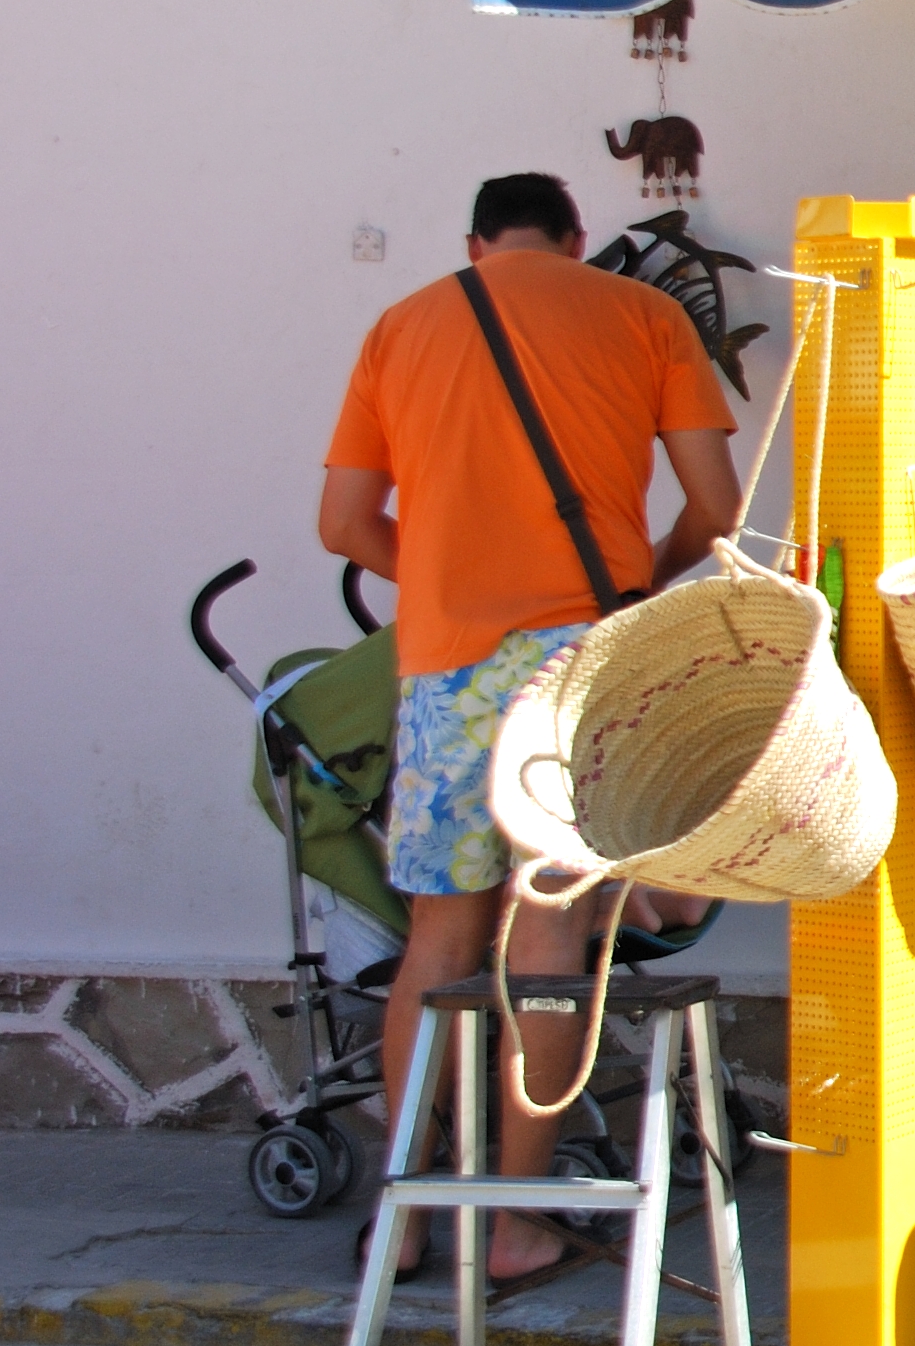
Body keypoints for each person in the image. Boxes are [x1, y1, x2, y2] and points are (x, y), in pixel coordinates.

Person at [317, 173, 741, 1289]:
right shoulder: (644, 317)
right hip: (576, 660)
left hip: (446, 667)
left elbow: (344, 521)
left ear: (474, 241)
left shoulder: (400, 325)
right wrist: (633, 584)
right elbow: (716, 508)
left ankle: (406, 1216)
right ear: (575, 239)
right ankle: (512, 1219)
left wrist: (455, 581)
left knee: (440, 943)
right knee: (551, 937)